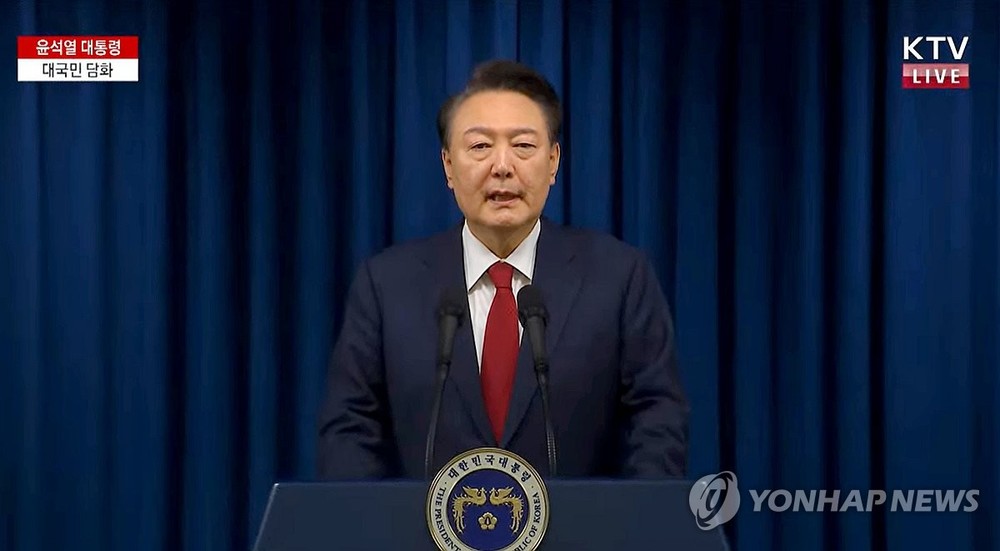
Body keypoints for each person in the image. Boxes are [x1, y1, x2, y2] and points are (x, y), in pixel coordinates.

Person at [316, 59, 689, 480]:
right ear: (448, 166)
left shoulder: (619, 277)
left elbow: (657, 419)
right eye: (480, 147)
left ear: (553, 162)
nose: (502, 166)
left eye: (523, 146)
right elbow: (349, 428)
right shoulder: (386, 285)